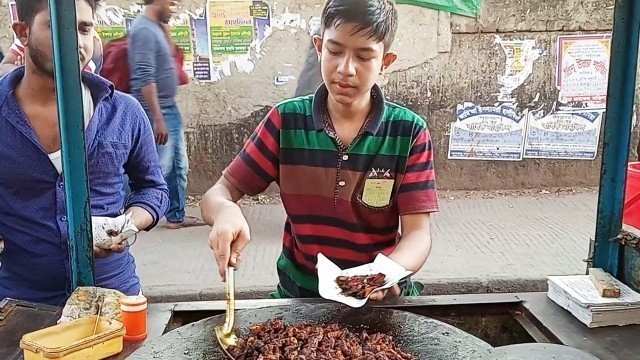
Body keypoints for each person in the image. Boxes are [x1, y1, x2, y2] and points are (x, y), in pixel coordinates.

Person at [202, 0, 438, 300]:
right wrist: (225, 211)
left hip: (384, 300)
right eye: (335, 51)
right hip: (300, 297)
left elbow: (418, 234)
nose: (346, 69)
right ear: (319, 47)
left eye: (364, 56)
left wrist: (387, 271)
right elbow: (219, 192)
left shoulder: (408, 132)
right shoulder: (285, 122)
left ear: (385, 62)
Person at [0, 0, 169, 306]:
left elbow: (153, 189)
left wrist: (124, 225)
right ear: (23, 33)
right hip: (23, 303)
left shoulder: (124, 113)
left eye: (84, 29)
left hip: (113, 297)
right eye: (57, 26)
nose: (75, 41)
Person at [128, 0, 202, 229]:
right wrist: (157, 118)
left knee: (179, 167)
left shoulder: (155, 27)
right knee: (157, 168)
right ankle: (132, 218)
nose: (175, 5)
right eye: (170, 2)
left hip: (169, 107)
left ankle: (175, 216)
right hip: (156, 111)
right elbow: (144, 77)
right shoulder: (142, 30)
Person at [0, 29, 103, 78]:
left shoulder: (90, 44)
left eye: (84, 30)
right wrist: (24, 70)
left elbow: (73, 82)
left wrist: (32, 72)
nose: (78, 42)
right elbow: (3, 67)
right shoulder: (31, 36)